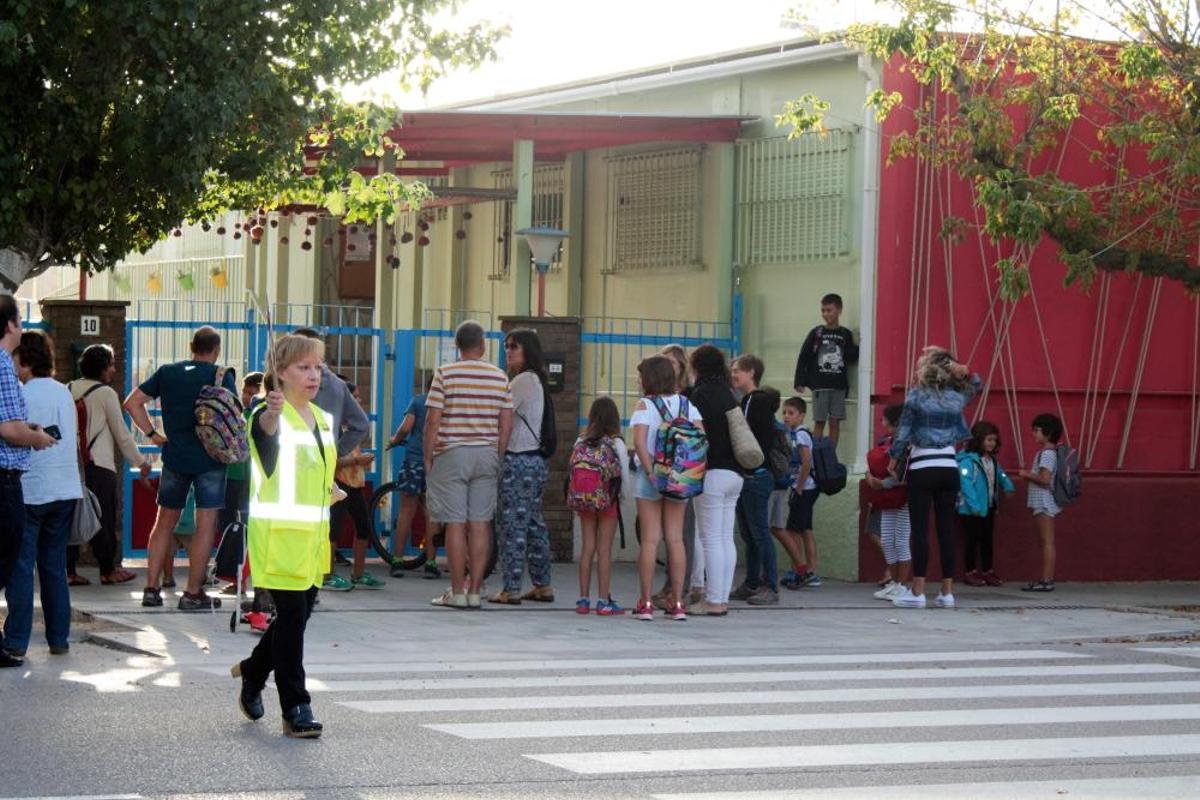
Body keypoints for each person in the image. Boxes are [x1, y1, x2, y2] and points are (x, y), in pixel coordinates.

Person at [231, 333, 341, 739]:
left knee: (296, 620)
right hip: (279, 539)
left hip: (312, 542)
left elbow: (316, 475)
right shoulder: (266, 411)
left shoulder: (323, 420)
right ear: (280, 373)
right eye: (303, 368)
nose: (313, 375)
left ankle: (254, 671)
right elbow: (265, 434)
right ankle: (296, 705)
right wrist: (271, 412)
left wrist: (331, 489)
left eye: (317, 367)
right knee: (292, 623)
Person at [124, 326, 236, 610]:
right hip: (211, 459)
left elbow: (132, 403)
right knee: (205, 523)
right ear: (217, 349)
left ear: (191, 346)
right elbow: (235, 416)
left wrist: (152, 435)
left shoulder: (167, 372)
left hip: (175, 455)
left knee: (164, 522)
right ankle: (193, 592)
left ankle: (151, 588)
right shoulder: (221, 375)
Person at [424, 320, 512, 610]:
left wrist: (428, 456)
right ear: (483, 345)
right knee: (480, 524)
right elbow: (506, 423)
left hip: (452, 454)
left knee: (455, 523)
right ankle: (475, 591)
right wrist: (496, 453)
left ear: (457, 345)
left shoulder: (445, 374)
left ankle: (457, 591)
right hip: (486, 454)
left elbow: (433, 419)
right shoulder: (500, 377)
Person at [3, 330, 79, 660]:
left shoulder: (22, 393)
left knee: (21, 567)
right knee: (53, 566)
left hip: (31, 489)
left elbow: (15, 433)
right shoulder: (64, 392)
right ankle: (58, 637)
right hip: (64, 489)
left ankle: (17, 639)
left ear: (25, 359)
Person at [887, 346, 981, 609]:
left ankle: (917, 591)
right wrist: (960, 367)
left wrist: (894, 459)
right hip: (949, 466)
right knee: (945, 530)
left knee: (919, 530)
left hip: (922, 466)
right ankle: (947, 592)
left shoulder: (915, 397)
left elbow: (903, 432)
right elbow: (976, 382)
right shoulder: (956, 398)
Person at [0, 296, 58, 668]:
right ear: (8, 325)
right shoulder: (4, 365)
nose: (22, 327)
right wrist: (34, 437)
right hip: (4, 480)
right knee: (5, 562)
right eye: (20, 321)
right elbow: (8, 429)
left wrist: (28, 429)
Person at [68, 344, 151, 586]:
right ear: (103, 368)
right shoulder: (105, 393)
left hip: (74, 466)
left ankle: (69, 570)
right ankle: (107, 569)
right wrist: (141, 462)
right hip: (99, 466)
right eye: (112, 365)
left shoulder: (69, 388)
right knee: (103, 519)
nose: (114, 370)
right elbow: (121, 434)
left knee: (71, 517)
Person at [292, 330, 370, 583]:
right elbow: (361, 424)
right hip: (322, 467)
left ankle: (304, 575)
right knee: (321, 524)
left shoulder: (289, 380)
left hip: (291, 465)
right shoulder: (336, 383)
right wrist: (334, 451)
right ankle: (316, 576)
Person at [630, 355, 703, 621]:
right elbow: (699, 439)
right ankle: (678, 602)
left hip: (650, 477)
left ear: (649, 378)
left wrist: (651, 473)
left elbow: (638, 443)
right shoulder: (687, 404)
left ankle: (646, 602)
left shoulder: (645, 405)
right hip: (680, 478)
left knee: (650, 539)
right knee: (675, 539)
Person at [491, 329, 554, 605]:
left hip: (517, 460)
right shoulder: (536, 379)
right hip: (535, 462)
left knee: (511, 526)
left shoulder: (522, 381)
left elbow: (499, 415)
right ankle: (542, 585)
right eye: (506, 346)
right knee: (532, 524)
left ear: (527, 350)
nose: (508, 351)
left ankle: (511, 588)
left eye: (513, 347)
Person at [683, 344, 743, 617]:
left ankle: (715, 600)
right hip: (735, 474)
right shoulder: (729, 394)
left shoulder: (699, 396)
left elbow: (696, 438)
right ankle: (721, 597)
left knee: (710, 540)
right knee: (724, 538)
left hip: (711, 474)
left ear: (696, 368)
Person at [651, 343, 702, 609]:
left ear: (682, 367)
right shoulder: (655, 398)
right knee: (666, 533)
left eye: (673, 362)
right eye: (664, 363)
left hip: (683, 472)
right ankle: (670, 586)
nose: (669, 367)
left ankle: (677, 589)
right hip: (661, 470)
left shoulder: (689, 398)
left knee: (682, 533)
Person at [570, 396, 630, 615]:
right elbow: (624, 477)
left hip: (584, 501)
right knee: (604, 550)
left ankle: (583, 600)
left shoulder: (580, 441)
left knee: (588, 548)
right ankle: (603, 602)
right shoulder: (617, 443)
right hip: (608, 502)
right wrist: (623, 500)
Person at [729, 355, 782, 606]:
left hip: (756, 475)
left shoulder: (754, 401)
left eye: (738, 370)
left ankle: (770, 586)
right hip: (751, 475)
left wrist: (749, 468)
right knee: (750, 534)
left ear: (752, 373)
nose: (733, 374)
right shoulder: (749, 401)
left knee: (759, 533)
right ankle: (752, 583)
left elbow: (749, 440)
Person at [329, 382, 382, 588]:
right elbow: (331, 460)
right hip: (338, 483)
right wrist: (357, 461)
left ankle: (358, 574)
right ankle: (327, 574)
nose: (359, 400)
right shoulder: (334, 427)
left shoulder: (355, 426)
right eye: (355, 396)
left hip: (356, 484)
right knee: (333, 531)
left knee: (363, 527)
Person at [388, 374, 440, 579]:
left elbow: (406, 427)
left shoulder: (418, 401)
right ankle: (431, 563)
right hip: (438, 464)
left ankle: (398, 561)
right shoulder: (447, 404)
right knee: (432, 513)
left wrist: (394, 440)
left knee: (406, 511)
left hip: (414, 460)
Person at [793, 293, 859, 446]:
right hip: (820, 386)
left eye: (829, 310)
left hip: (838, 386)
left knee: (835, 422)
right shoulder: (817, 333)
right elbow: (804, 355)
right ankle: (816, 457)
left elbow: (850, 357)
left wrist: (857, 344)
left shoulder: (845, 334)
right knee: (819, 422)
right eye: (823, 310)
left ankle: (830, 457)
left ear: (839, 310)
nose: (825, 314)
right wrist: (799, 380)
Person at [959, 420, 1015, 587]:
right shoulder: (968, 461)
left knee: (987, 541)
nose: (992, 443)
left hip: (988, 507)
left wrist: (1008, 486)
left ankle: (987, 570)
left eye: (994, 440)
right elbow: (966, 484)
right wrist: (974, 506)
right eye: (989, 440)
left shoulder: (992, 461)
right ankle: (970, 572)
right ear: (978, 440)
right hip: (971, 510)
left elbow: (1001, 475)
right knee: (971, 541)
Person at [865, 403, 912, 601]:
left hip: (903, 499)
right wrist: (870, 477)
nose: (881, 421)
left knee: (901, 540)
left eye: (884, 418)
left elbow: (905, 474)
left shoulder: (907, 444)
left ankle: (903, 585)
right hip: (886, 499)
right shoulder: (887, 440)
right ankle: (894, 582)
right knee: (887, 540)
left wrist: (881, 484)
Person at [777, 396, 822, 590]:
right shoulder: (794, 433)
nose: (786, 417)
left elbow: (806, 463)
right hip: (806, 487)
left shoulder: (801, 435)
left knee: (792, 530)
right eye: (784, 413)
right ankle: (810, 570)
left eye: (791, 413)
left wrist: (799, 488)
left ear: (802, 415)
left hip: (805, 487)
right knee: (805, 530)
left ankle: (801, 569)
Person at [1019, 413, 1064, 592]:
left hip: (1043, 501)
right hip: (1043, 501)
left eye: (1037, 430)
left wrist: (1026, 474)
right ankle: (1046, 579)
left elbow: (1045, 479)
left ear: (1048, 432)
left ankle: (1046, 580)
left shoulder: (1046, 453)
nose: (1034, 434)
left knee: (1047, 542)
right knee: (1046, 541)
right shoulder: (1049, 452)